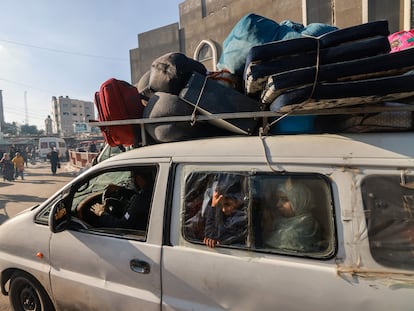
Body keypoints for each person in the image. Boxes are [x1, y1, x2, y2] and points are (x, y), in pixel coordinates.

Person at [262, 178, 323, 252]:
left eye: (284, 199)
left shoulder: (290, 234)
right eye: (278, 199)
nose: (278, 205)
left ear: (299, 201)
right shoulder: (310, 222)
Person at [203, 181, 247, 248]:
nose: (223, 210)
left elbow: (215, 236)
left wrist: (213, 207)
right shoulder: (223, 215)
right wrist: (213, 205)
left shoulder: (242, 217)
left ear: (238, 202)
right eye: (221, 205)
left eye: (227, 205)